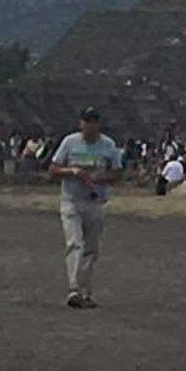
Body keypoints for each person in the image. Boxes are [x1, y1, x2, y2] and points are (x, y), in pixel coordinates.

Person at [50, 108, 123, 309]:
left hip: (96, 202)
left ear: (98, 124)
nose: (90, 126)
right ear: (81, 123)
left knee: (91, 249)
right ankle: (73, 288)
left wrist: (98, 178)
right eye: (86, 121)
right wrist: (73, 171)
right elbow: (53, 169)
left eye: (93, 122)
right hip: (71, 200)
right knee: (75, 243)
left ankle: (85, 289)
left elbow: (117, 172)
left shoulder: (108, 145)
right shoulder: (70, 142)